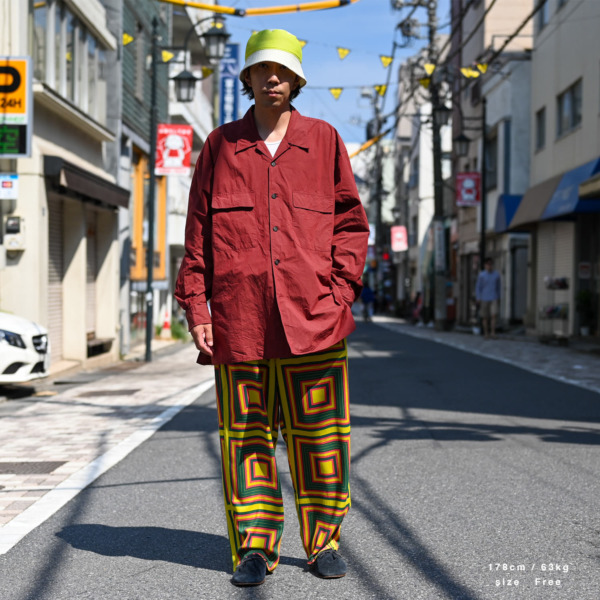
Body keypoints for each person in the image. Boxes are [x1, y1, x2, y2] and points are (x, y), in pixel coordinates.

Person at [174, 29, 369, 587]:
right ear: (249, 78)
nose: (273, 79)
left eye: (282, 71)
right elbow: (199, 236)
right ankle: (255, 547)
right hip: (241, 323)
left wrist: (340, 294)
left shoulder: (325, 140)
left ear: (298, 80)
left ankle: (324, 540)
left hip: (316, 322)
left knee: (321, 435)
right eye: (263, 70)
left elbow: (351, 225)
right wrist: (199, 309)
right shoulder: (220, 146)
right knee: (247, 441)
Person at [475, 257, 501, 339]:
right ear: (485, 265)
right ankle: (486, 333)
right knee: (485, 317)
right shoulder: (481, 275)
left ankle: (493, 333)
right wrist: (478, 297)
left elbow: (498, 287)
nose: (489, 266)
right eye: (488, 264)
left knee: (494, 315)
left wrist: (499, 297)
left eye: (490, 264)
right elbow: (478, 287)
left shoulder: (496, 275)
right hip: (484, 298)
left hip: (494, 297)